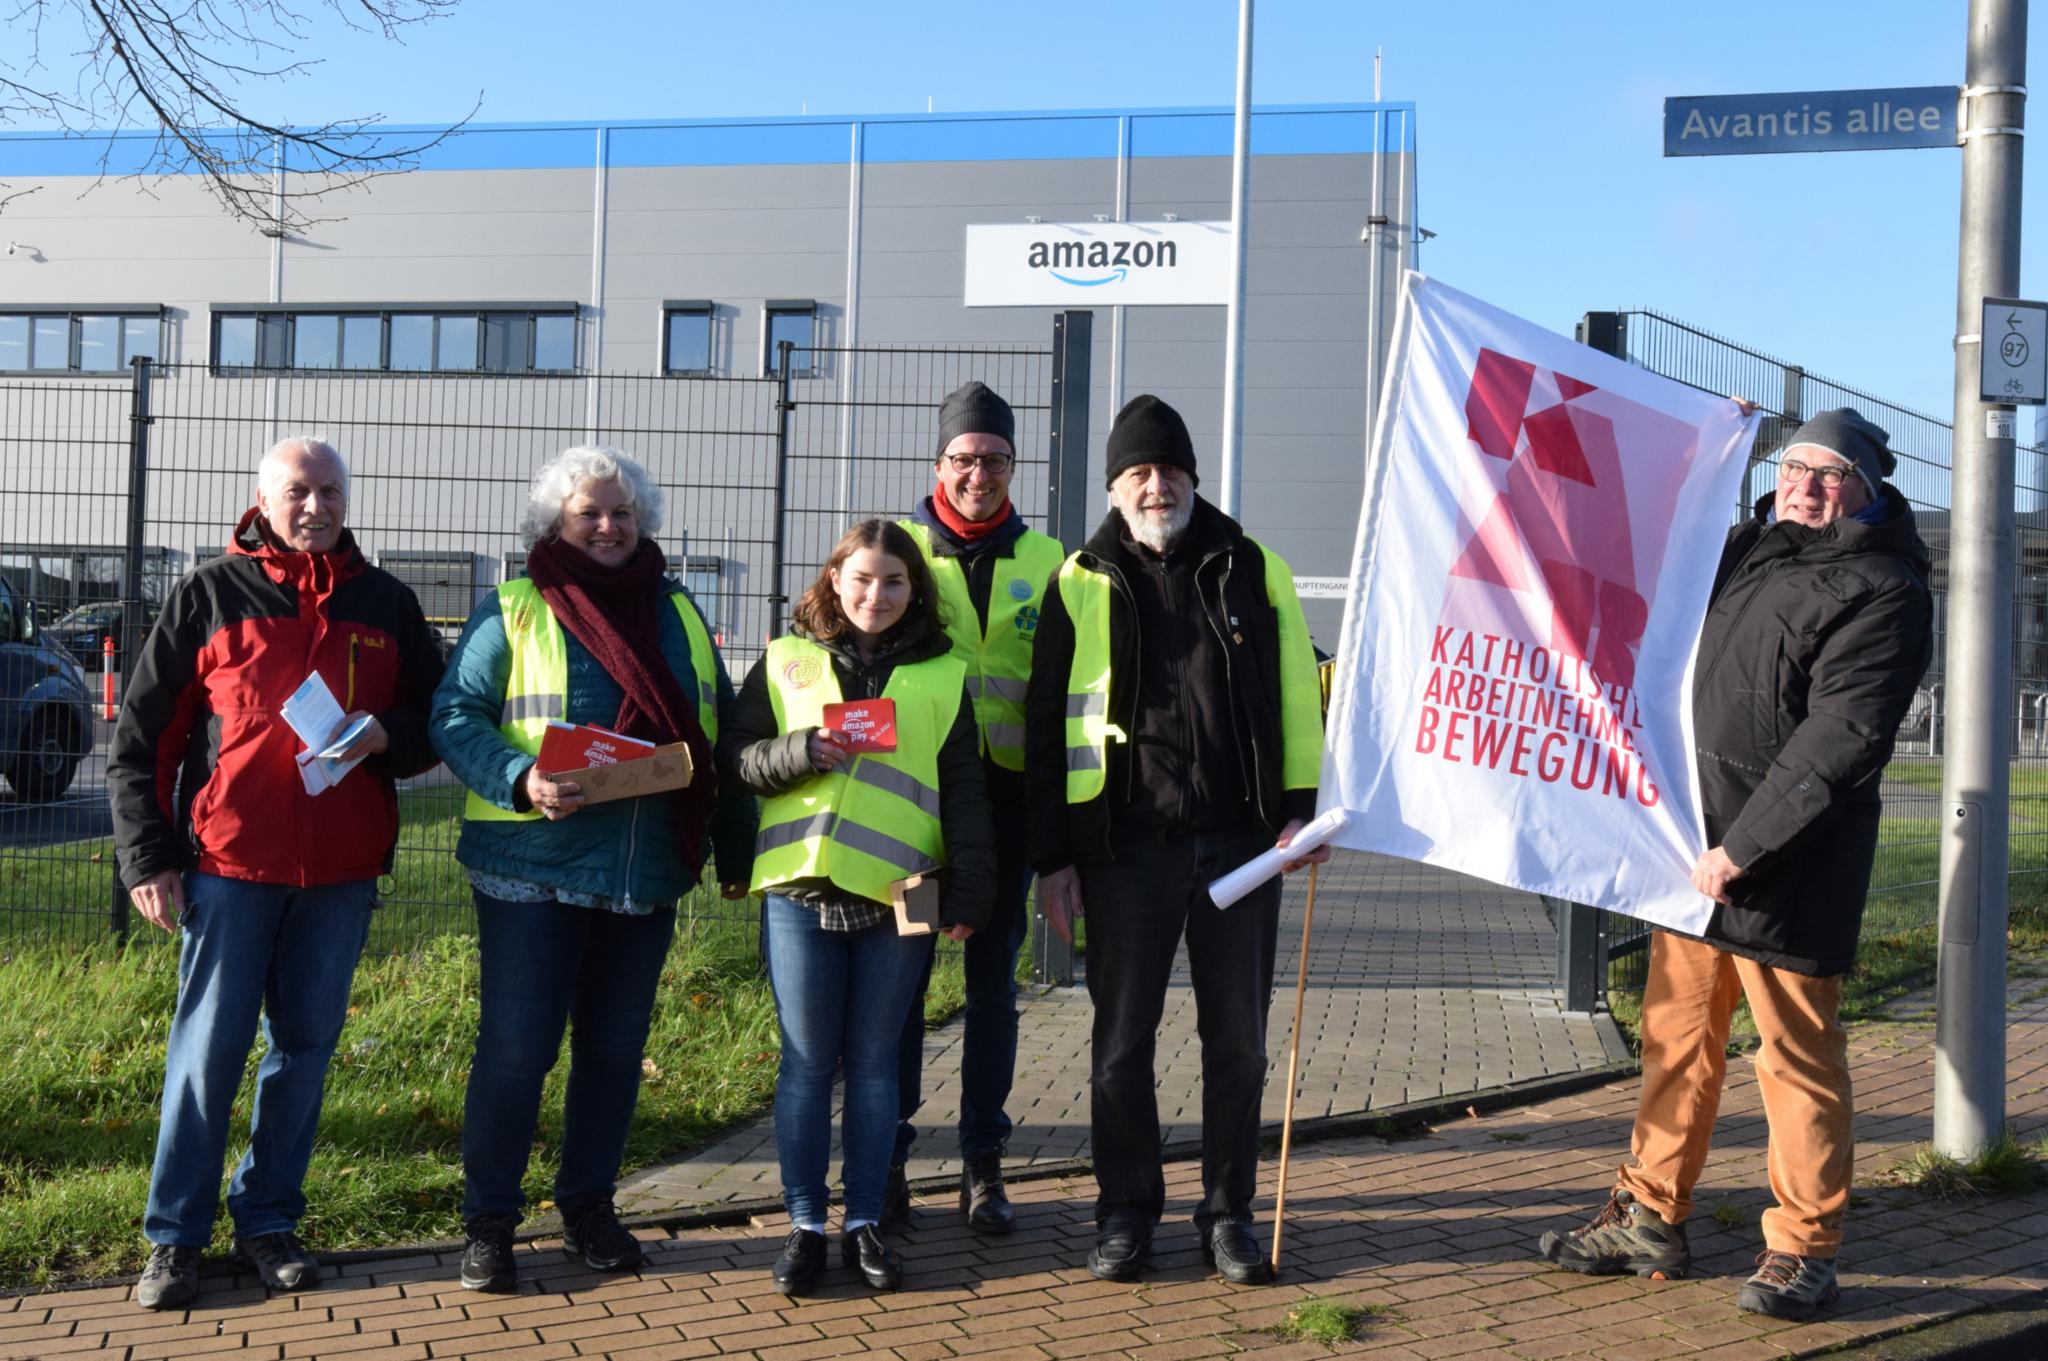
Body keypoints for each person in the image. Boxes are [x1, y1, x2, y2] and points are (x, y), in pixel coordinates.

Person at [1537, 407, 1934, 1322]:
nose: (1805, 485)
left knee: (1793, 1058)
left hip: (1786, 863)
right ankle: (1649, 1212)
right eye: (1795, 466)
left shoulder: (1884, 586)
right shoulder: (1752, 548)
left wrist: (1743, 849)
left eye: (1830, 473)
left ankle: (1804, 1246)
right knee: (1676, 1038)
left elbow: (1841, 736)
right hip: (1692, 851)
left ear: (1867, 489)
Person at [110, 436, 444, 1310]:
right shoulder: (210, 594)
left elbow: (434, 722)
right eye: (299, 490)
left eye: (330, 490)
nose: (316, 505)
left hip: (340, 875)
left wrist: (385, 736)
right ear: (262, 498)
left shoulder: (389, 604)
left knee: (301, 1053)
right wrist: (148, 857)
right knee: (205, 1056)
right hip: (228, 867)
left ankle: (268, 1220)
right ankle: (174, 1238)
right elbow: (143, 742)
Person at [429, 446, 756, 1294]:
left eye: (621, 513)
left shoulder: (678, 613)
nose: (608, 527)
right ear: (556, 523)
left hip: (640, 871)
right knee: (515, 1050)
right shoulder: (514, 606)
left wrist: (731, 844)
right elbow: (454, 714)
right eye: (589, 514)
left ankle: (588, 1209)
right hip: (529, 865)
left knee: (613, 1054)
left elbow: (714, 733)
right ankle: (490, 1222)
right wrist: (519, 777)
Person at [1023, 394, 1328, 1287]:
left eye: (1170, 469)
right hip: (1125, 851)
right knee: (1122, 1043)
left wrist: (1302, 808)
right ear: (1116, 487)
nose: (1157, 485)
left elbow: (1295, 694)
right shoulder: (1078, 579)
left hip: (1244, 843)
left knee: (1238, 1041)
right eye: (1138, 472)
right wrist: (1055, 854)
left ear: (1194, 476)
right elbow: (1049, 725)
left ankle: (1229, 1213)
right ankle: (1125, 1211)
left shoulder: (1252, 565)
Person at [718, 519, 994, 1296]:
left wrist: (971, 889)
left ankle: (864, 1219)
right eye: (862, 578)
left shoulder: (945, 673)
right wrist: (798, 753)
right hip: (802, 886)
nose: (877, 594)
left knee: (877, 1068)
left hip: (907, 890)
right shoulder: (785, 660)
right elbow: (734, 759)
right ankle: (805, 1224)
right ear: (835, 579)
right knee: (808, 1063)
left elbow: (965, 791)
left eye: (895, 581)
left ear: (916, 590)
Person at [888, 380, 1067, 1233]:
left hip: (1008, 810)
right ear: (939, 465)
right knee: (903, 980)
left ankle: (983, 1167)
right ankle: (887, 1160)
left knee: (993, 986)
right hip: (918, 808)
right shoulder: (898, 552)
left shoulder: (1054, 563)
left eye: (994, 460)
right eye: (964, 459)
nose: (978, 475)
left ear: (1012, 466)